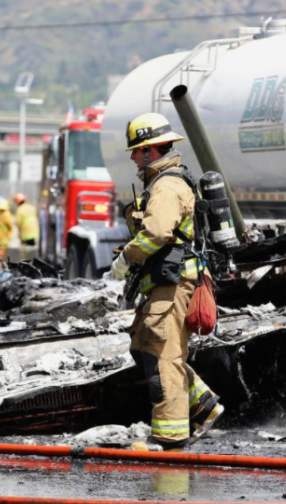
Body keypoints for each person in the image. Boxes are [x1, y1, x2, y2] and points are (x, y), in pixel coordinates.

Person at [109, 112, 224, 452]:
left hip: (173, 284)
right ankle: (202, 404)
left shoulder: (167, 185)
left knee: (162, 356)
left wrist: (127, 257)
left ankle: (170, 436)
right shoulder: (165, 183)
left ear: (151, 151)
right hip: (164, 282)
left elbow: (157, 233)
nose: (132, 157)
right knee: (143, 345)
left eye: (136, 150)